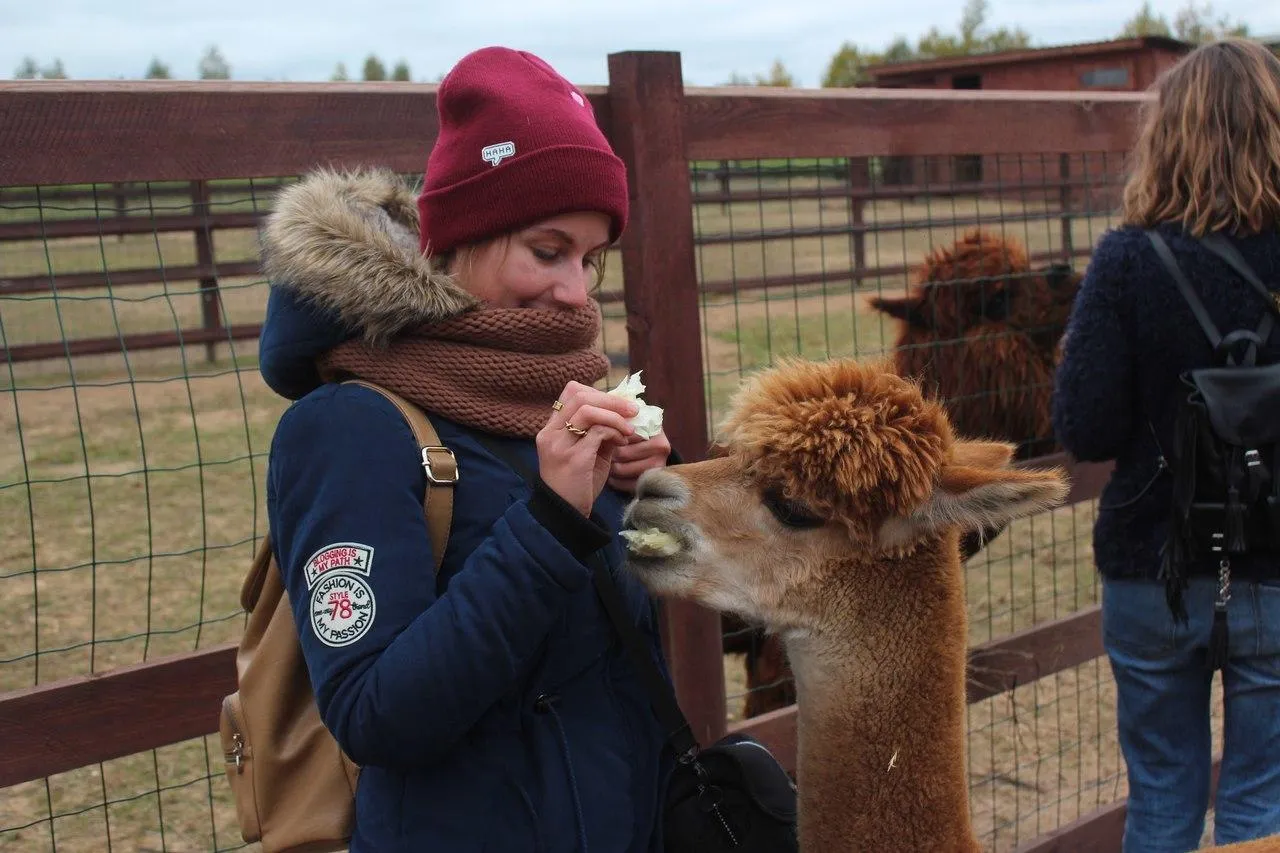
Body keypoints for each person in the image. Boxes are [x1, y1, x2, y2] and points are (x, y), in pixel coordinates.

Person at [255, 46, 677, 852]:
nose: (576, 293)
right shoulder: (348, 426)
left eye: (591, 260)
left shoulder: (558, 398)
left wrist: (653, 496)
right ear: (456, 241)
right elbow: (375, 712)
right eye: (548, 251)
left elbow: (632, 639)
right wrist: (552, 520)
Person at [1052, 38, 1280, 852]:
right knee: (1262, 805)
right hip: (1275, 571)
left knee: (1161, 803)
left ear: (1169, 134)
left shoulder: (1125, 261)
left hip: (1154, 571)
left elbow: (1087, 425)